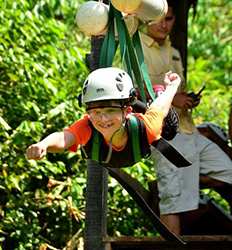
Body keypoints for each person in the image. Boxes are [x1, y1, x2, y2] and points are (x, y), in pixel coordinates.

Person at [139, 0, 232, 235]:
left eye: (169, 19)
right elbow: (134, 95)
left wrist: (187, 99)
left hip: (190, 131)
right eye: (158, 18)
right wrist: (173, 99)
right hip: (166, 135)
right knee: (174, 201)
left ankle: (181, 179)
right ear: (146, 18)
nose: (163, 24)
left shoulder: (173, 52)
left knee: (228, 171)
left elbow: (176, 95)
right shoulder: (136, 48)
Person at [26, 67, 181, 169]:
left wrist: (172, 86)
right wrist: (43, 145)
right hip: (112, 155)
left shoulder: (146, 128)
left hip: (146, 127)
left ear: (127, 111)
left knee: (169, 126)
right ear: (88, 112)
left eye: (110, 110)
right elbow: (63, 139)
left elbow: (160, 107)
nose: (103, 118)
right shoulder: (87, 126)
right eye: (96, 112)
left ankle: (155, 91)